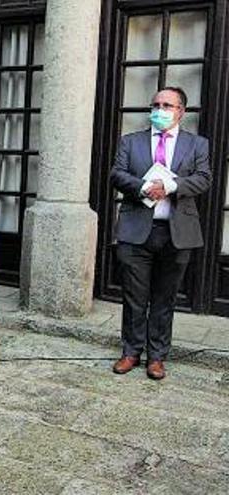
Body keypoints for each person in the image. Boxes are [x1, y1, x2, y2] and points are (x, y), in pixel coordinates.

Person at [110, 86, 211, 380]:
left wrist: (169, 186)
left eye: (167, 105)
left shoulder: (197, 145)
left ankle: (156, 357)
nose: (160, 109)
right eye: (156, 104)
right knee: (134, 297)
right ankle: (131, 352)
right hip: (136, 230)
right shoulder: (131, 142)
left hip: (176, 233)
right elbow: (117, 174)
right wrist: (143, 187)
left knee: (165, 298)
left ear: (181, 111)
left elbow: (204, 178)